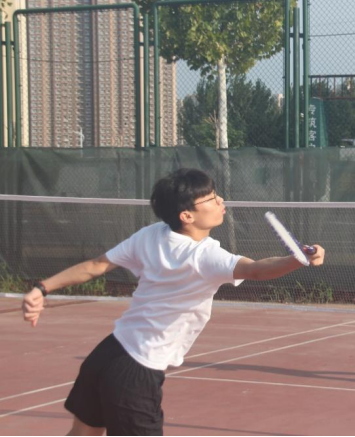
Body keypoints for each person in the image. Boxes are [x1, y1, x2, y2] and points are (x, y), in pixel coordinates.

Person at [21, 168, 325, 435]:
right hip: (136, 372)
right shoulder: (204, 256)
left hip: (107, 354)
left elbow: (95, 265)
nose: (221, 201)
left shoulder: (150, 234)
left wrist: (41, 288)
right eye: (211, 199)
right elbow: (256, 270)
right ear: (187, 216)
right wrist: (296, 260)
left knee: (81, 434)